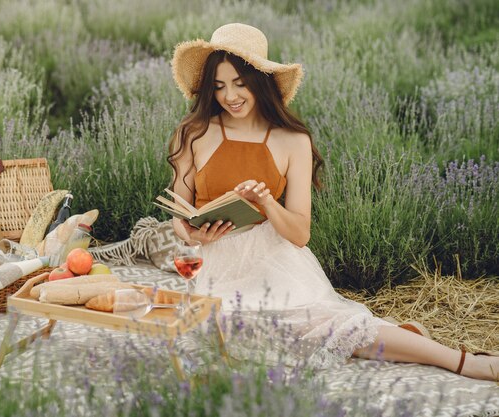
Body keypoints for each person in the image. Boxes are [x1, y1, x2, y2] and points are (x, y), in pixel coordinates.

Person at [166, 23, 497, 380]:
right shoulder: (193, 132)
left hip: (275, 260)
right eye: (219, 86)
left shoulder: (292, 140)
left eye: (240, 83)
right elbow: (179, 214)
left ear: (260, 81)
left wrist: (267, 203)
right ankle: (402, 337)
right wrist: (193, 236)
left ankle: (462, 361)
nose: (230, 96)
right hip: (219, 266)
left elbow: (299, 233)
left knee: (322, 328)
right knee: (233, 336)